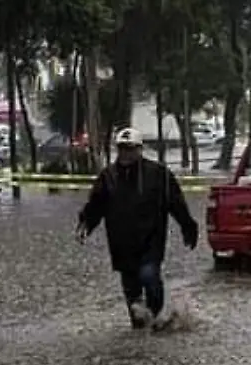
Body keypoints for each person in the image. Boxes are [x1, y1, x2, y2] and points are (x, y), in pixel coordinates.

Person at [76, 127, 200, 329]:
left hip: (151, 240)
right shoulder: (108, 177)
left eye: (130, 149)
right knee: (131, 291)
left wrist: (188, 227)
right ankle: (139, 331)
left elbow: (176, 203)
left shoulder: (158, 174)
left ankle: (158, 320)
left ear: (140, 149)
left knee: (149, 276)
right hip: (121, 245)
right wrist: (85, 225)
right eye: (122, 149)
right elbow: (95, 205)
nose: (125, 153)